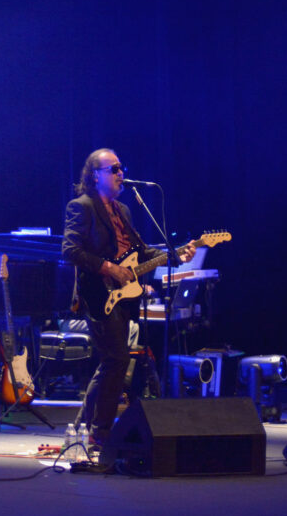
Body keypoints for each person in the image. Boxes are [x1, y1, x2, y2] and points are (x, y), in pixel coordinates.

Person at [61, 148, 194, 448]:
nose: (122, 173)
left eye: (122, 168)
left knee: (113, 362)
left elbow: (142, 253)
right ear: (96, 175)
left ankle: (93, 428)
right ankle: (101, 432)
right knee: (117, 359)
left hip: (125, 298)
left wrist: (176, 255)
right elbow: (70, 251)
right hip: (98, 294)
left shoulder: (124, 211)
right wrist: (109, 267)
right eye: (115, 169)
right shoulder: (81, 206)